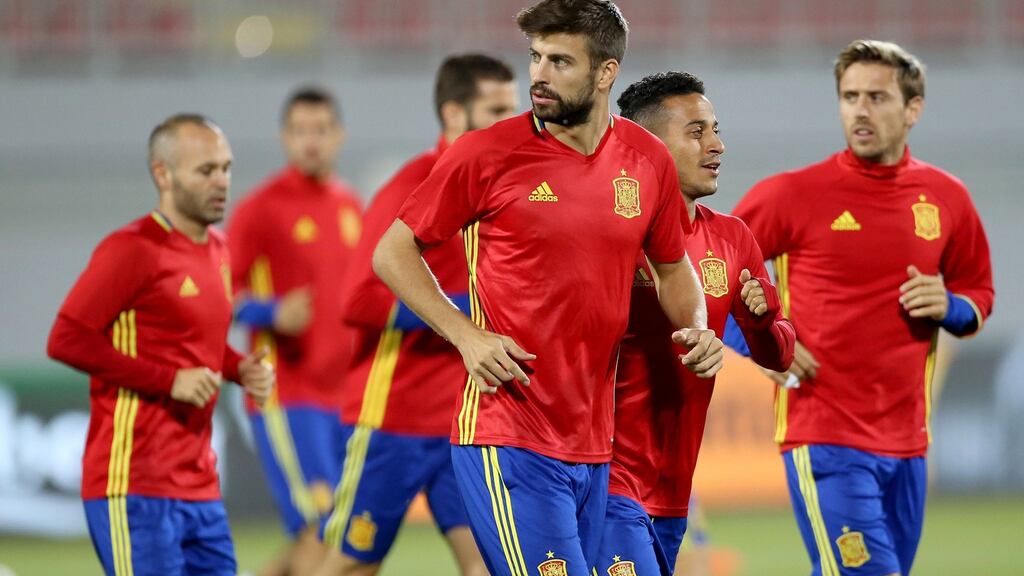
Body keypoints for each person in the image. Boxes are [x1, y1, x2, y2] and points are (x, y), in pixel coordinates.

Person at [372, 2, 725, 574]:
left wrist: (698, 329)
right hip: (507, 433)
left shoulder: (646, 160)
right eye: (536, 57)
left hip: (593, 447)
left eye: (560, 61)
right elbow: (392, 251)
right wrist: (465, 335)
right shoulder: (487, 153)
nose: (539, 74)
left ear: (605, 72)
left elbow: (672, 266)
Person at [734, 39, 994, 576]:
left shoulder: (947, 197)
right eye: (850, 96)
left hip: (909, 443)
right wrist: (762, 345)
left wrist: (950, 306)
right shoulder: (792, 194)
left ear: (913, 109)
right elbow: (712, 273)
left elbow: (979, 294)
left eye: (876, 97)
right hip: (824, 437)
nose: (860, 110)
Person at [314, 53, 519, 576]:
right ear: (453, 114)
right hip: (393, 417)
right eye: (496, 110)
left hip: (465, 421)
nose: (512, 124)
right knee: (351, 565)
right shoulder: (415, 183)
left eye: (513, 109)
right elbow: (358, 300)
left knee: (489, 563)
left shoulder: (504, 187)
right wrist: (466, 311)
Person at [46, 114, 275, 575]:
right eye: (206, 170)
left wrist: (239, 369)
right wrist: (169, 381)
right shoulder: (134, 249)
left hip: (200, 486)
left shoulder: (220, 249)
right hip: (134, 482)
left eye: (226, 168)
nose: (222, 181)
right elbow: (66, 339)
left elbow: (197, 344)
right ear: (163, 174)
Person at [598, 72, 795, 576]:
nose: (717, 145)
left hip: (673, 490)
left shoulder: (732, 238)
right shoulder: (607, 235)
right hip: (602, 477)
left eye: (715, 130)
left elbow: (779, 355)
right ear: (648, 148)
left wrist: (764, 319)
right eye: (696, 132)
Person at [226, 86, 363, 575]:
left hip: (344, 398)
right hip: (287, 394)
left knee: (337, 534)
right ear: (284, 138)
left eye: (321, 130)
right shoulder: (261, 208)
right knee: (319, 532)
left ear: (339, 135)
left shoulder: (351, 206)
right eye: (300, 131)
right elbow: (218, 295)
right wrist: (271, 312)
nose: (311, 141)